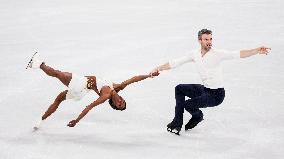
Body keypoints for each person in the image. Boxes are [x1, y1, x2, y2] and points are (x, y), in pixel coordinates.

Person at [151, 29, 271, 135]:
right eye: (206, 39)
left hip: (216, 95)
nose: (209, 42)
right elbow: (176, 62)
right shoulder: (195, 54)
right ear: (200, 40)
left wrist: (256, 50)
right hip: (204, 89)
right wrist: (158, 68)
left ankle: (198, 116)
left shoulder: (217, 54)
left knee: (188, 105)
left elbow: (238, 54)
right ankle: (177, 123)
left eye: (211, 39)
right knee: (179, 88)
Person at [26, 53, 159, 130]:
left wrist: (77, 120)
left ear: (113, 104)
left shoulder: (106, 95)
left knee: (57, 73)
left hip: (80, 84)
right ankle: (41, 120)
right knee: (58, 99)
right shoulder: (117, 87)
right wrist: (149, 75)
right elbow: (134, 79)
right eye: (123, 102)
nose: (120, 101)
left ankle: (37, 63)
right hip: (81, 92)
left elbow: (89, 107)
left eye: (119, 105)